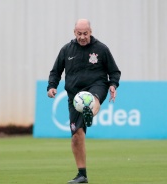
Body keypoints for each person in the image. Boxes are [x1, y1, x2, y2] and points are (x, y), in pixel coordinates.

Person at [47, 19, 121, 183]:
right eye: (79, 34)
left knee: (91, 99)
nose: (82, 37)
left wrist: (113, 85)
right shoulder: (67, 50)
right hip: (74, 95)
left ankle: (90, 113)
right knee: (76, 136)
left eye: (85, 34)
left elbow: (114, 71)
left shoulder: (101, 49)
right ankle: (82, 175)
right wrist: (52, 86)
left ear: (91, 31)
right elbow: (56, 71)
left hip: (97, 85)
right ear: (74, 32)